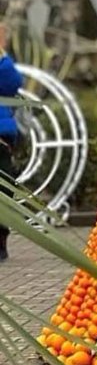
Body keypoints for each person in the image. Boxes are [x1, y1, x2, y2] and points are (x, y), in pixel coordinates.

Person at [0, 21, 23, 262]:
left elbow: (12, 82)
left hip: (1, 137)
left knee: (4, 191)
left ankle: (0, 241)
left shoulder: (3, 66)